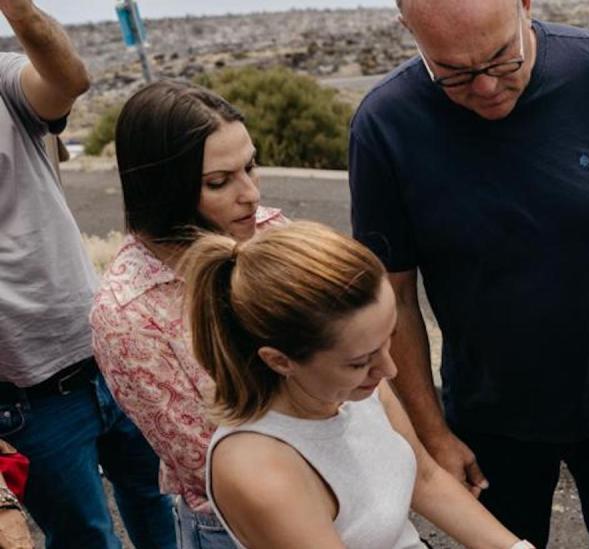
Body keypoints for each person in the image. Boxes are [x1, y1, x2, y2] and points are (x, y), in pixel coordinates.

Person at [348, 0, 589, 545]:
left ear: (525, 5)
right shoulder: (384, 124)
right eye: (456, 74)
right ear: (408, 28)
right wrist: (432, 435)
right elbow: (392, 295)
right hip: (490, 417)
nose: (487, 88)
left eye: (502, 60)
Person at [181, 221, 531, 549]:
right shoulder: (257, 468)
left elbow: (425, 479)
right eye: (360, 361)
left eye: (388, 339)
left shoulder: (351, 385)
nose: (389, 370)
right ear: (279, 360)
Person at [0, 1, 176, 547]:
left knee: (157, 503)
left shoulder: (2, 77)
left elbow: (68, 79)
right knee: (86, 538)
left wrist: (21, 11)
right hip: (24, 397)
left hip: (109, 353)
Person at [90, 80, 287, 549]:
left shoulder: (270, 231)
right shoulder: (127, 315)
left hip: (341, 483)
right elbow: (210, 462)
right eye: (219, 182)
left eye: (251, 166)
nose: (251, 195)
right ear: (163, 188)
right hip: (241, 524)